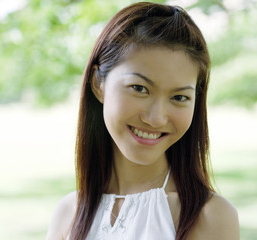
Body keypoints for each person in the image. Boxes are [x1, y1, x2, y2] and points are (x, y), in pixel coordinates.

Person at [46, 2, 239, 240]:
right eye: (139, 88)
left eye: (179, 97)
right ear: (98, 83)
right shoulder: (69, 214)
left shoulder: (209, 216)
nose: (156, 118)